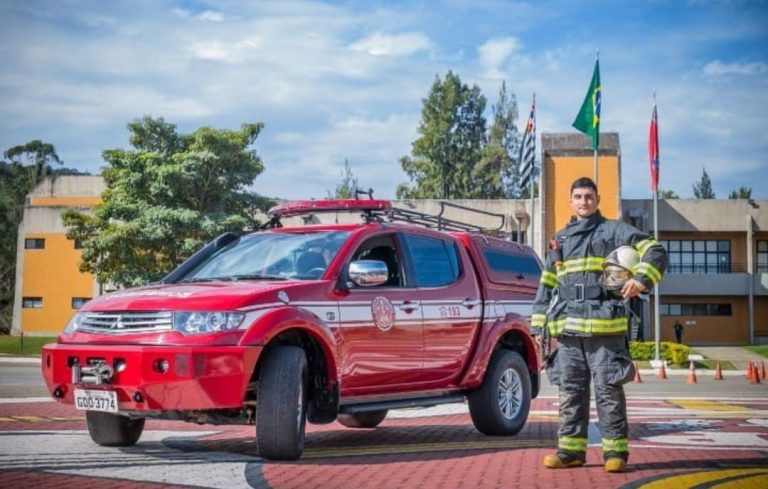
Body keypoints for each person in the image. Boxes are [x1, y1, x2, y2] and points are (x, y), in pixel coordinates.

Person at [531, 177, 667, 474]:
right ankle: (570, 451)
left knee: (609, 391)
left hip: (605, 329)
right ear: (570, 201)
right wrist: (538, 326)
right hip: (568, 332)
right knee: (570, 391)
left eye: (589, 196)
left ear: (598, 200)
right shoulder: (559, 239)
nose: (584, 202)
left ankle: (615, 453)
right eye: (578, 196)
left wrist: (641, 280)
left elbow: (655, 249)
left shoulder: (615, 230)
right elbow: (547, 284)